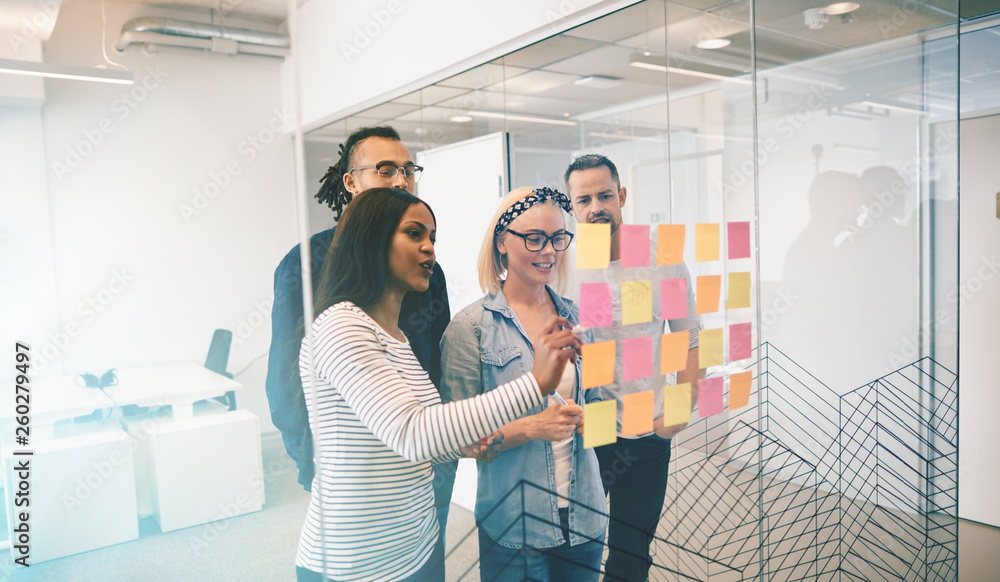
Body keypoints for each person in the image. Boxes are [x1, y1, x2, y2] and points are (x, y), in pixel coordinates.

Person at [295, 187, 582, 581]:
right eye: (414, 234)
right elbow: (413, 433)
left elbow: (439, 431)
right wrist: (534, 386)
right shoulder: (341, 326)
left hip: (416, 547)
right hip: (355, 563)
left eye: (432, 237)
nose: (429, 248)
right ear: (371, 240)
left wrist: (483, 441)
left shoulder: (395, 336)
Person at [265, 126, 457, 543]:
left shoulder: (428, 270)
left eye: (408, 170)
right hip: (351, 469)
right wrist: (309, 457)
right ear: (351, 182)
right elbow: (284, 377)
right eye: (386, 169)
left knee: (425, 555)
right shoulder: (306, 264)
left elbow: (436, 360)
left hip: (423, 452)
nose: (401, 180)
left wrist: (443, 454)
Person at [439, 187, 608, 582]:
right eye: (534, 238)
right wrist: (532, 427)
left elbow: (602, 408)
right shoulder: (471, 330)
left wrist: (591, 420)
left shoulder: (576, 318)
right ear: (502, 242)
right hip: (515, 525)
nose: (549, 250)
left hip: (585, 515)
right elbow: (457, 441)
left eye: (558, 238)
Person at [565, 154, 702, 581]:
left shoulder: (661, 256)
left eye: (605, 195)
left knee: (632, 553)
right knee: (575, 546)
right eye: (583, 199)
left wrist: (682, 405)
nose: (595, 207)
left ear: (622, 196)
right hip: (587, 429)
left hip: (647, 427)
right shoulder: (565, 266)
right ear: (572, 207)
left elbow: (688, 336)